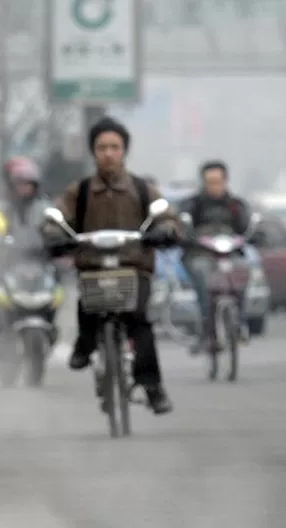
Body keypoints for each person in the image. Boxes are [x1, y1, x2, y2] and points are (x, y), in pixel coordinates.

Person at [42, 117, 176, 415]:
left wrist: (165, 230)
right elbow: (55, 218)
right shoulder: (81, 191)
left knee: (140, 321)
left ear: (124, 151)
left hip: (134, 267)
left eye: (114, 147)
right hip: (93, 268)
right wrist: (54, 233)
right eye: (102, 147)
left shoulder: (143, 189)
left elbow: (167, 216)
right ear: (93, 152)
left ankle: (152, 387)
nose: (108, 153)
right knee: (87, 310)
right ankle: (85, 346)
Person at [177, 160, 252, 353]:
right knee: (204, 277)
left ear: (225, 181)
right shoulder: (192, 205)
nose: (214, 186)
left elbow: (246, 228)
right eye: (210, 182)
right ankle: (206, 328)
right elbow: (181, 226)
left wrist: (253, 235)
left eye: (218, 181)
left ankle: (240, 324)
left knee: (242, 270)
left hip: (230, 254)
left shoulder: (236, 205)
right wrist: (188, 237)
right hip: (200, 254)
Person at [0, 158, 59, 339]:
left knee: (57, 282)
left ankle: (50, 320)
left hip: (40, 260)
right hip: (11, 261)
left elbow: (54, 228)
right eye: (19, 184)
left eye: (28, 184)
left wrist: (54, 239)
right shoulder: (3, 209)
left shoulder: (45, 208)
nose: (24, 188)